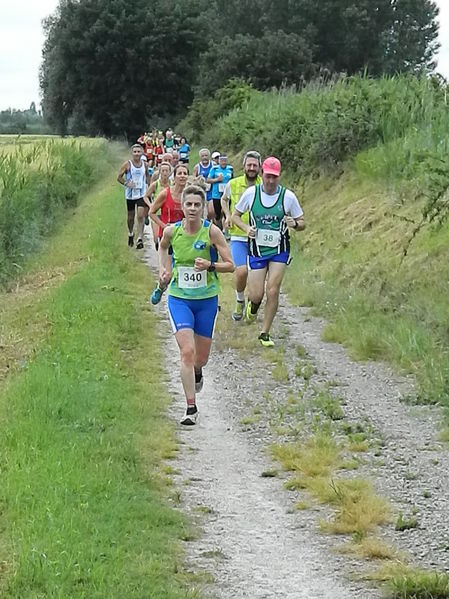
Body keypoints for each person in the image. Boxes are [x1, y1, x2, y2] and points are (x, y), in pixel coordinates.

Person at [157, 178, 234, 424]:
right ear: (182, 206)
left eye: (196, 205)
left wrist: (210, 265)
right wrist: (164, 269)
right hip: (180, 299)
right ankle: (191, 408)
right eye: (188, 204)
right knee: (187, 353)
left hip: (206, 300)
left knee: (200, 359)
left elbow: (230, 265)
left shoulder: (211, 231)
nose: (192, 208)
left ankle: (198, 371)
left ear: (203, 207)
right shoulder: (172, 231)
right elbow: (163, 248)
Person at [232, 156, 305, 347]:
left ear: (279, 177)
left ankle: (265, 333)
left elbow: (302, 222)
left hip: (279, 250)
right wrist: (246, 229)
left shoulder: (288, 197)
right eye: (268, 176)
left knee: (272, 290)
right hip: (257, 250)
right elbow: (235, 216)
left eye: (274, 177)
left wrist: (295, 224)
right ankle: (253, 306)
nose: (270, 181)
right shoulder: (251, 194)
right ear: (262, 174)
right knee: (257, 294)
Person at [221, 150, 262, 321]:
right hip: (238, 236)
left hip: (259, 238)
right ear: (243, 166)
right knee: (241, 271)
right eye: (249, 165)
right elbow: (224, 199)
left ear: (260, 168)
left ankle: (253, 306)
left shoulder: (265, 185)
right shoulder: (233, 183)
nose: (252, 168)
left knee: (257, 277)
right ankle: (239, 300)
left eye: (255, 165)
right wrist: (227, 215)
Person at [149, 163, 188, 303]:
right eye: (180, 173)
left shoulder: (190, 194)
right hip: (167, 237)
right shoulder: (165, 193)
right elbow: (151, 212)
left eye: (185, 173)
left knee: (184, 270)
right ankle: (160, 287)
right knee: (167, 275)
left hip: (184, 237)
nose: (182, 176)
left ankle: (180, 300)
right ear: (175, 176)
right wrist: (164, 226)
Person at [117, 144, 150, 249]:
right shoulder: (127, 164)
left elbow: (147, 176)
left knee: (140, 215)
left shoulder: (145, 164)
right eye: (135, 152)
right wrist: (127, 183)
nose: (136, 154)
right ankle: (131, 233)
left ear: (142, 153)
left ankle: (140, 238)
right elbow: (119, 177)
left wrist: (149, 189)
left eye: (138, 152)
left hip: (141, 193)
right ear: (132, 153)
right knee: (131, 217)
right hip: (130, 195)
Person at [144, 161, 172, 249]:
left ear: (170, 172)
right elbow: (145, 196)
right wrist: (150, 205)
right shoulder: (155, 184)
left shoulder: (173, 184)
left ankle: (165, 253)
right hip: (156, 213)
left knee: (168, 237)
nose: (165, 173)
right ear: (159, 172)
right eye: (163, 171)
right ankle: (158, 245)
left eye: (167, 171)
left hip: (168, 214)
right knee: (156, 238)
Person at [207, 154, 234, 226]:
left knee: (227, 213)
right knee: (218, 214)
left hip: (227, 194)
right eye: (222, 161)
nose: (223, 163)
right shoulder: (214, 169)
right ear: (219, 161)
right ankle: (219, 228)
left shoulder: (230, 169)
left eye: (225, 161)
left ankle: (227, 230)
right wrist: (217, 179)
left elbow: (233, 180)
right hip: (216, 195)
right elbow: (208, 180)